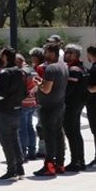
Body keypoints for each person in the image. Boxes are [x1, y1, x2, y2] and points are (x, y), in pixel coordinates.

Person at [0, 48, 29, 181]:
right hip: (17, 110)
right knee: (15, 139)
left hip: (5, 111)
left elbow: (0, 93)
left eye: (1, 56)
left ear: (5, 57)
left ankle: (11, 169)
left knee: (5, 141)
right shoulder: (21, 72)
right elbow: (25, 92)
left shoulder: (4, 73)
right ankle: (19, 168)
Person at [34, 43, 68, 177]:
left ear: (53, 54)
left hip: (48, 107)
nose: (44, 55)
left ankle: (49, 166)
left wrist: (38, 84)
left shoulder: (51, 69)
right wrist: (43, 81)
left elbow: (47, 89)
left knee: (49, 137)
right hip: (60, 105)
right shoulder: (64, 67)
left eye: (46, 52)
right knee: (59, 135)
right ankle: (60, 164)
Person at [61, 45, 89, 172]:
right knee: (75, 133)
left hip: (72, 105)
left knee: (72, 133)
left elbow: (68, 90)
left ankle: (76, 161)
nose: (65, 54)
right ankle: (79, 160)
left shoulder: (74, 70)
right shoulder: (81, 68)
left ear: (75, 55)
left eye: (68, 52)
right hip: (77, 104)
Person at [17, 54, 39, 164]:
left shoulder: (22, 72)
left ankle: (23, 153)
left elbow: (20, 88)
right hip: (32, 102)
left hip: (24, 102)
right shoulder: (33, 70)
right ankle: (32, 152)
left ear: (19, 61)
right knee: (30, 127)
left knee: (23, 129)